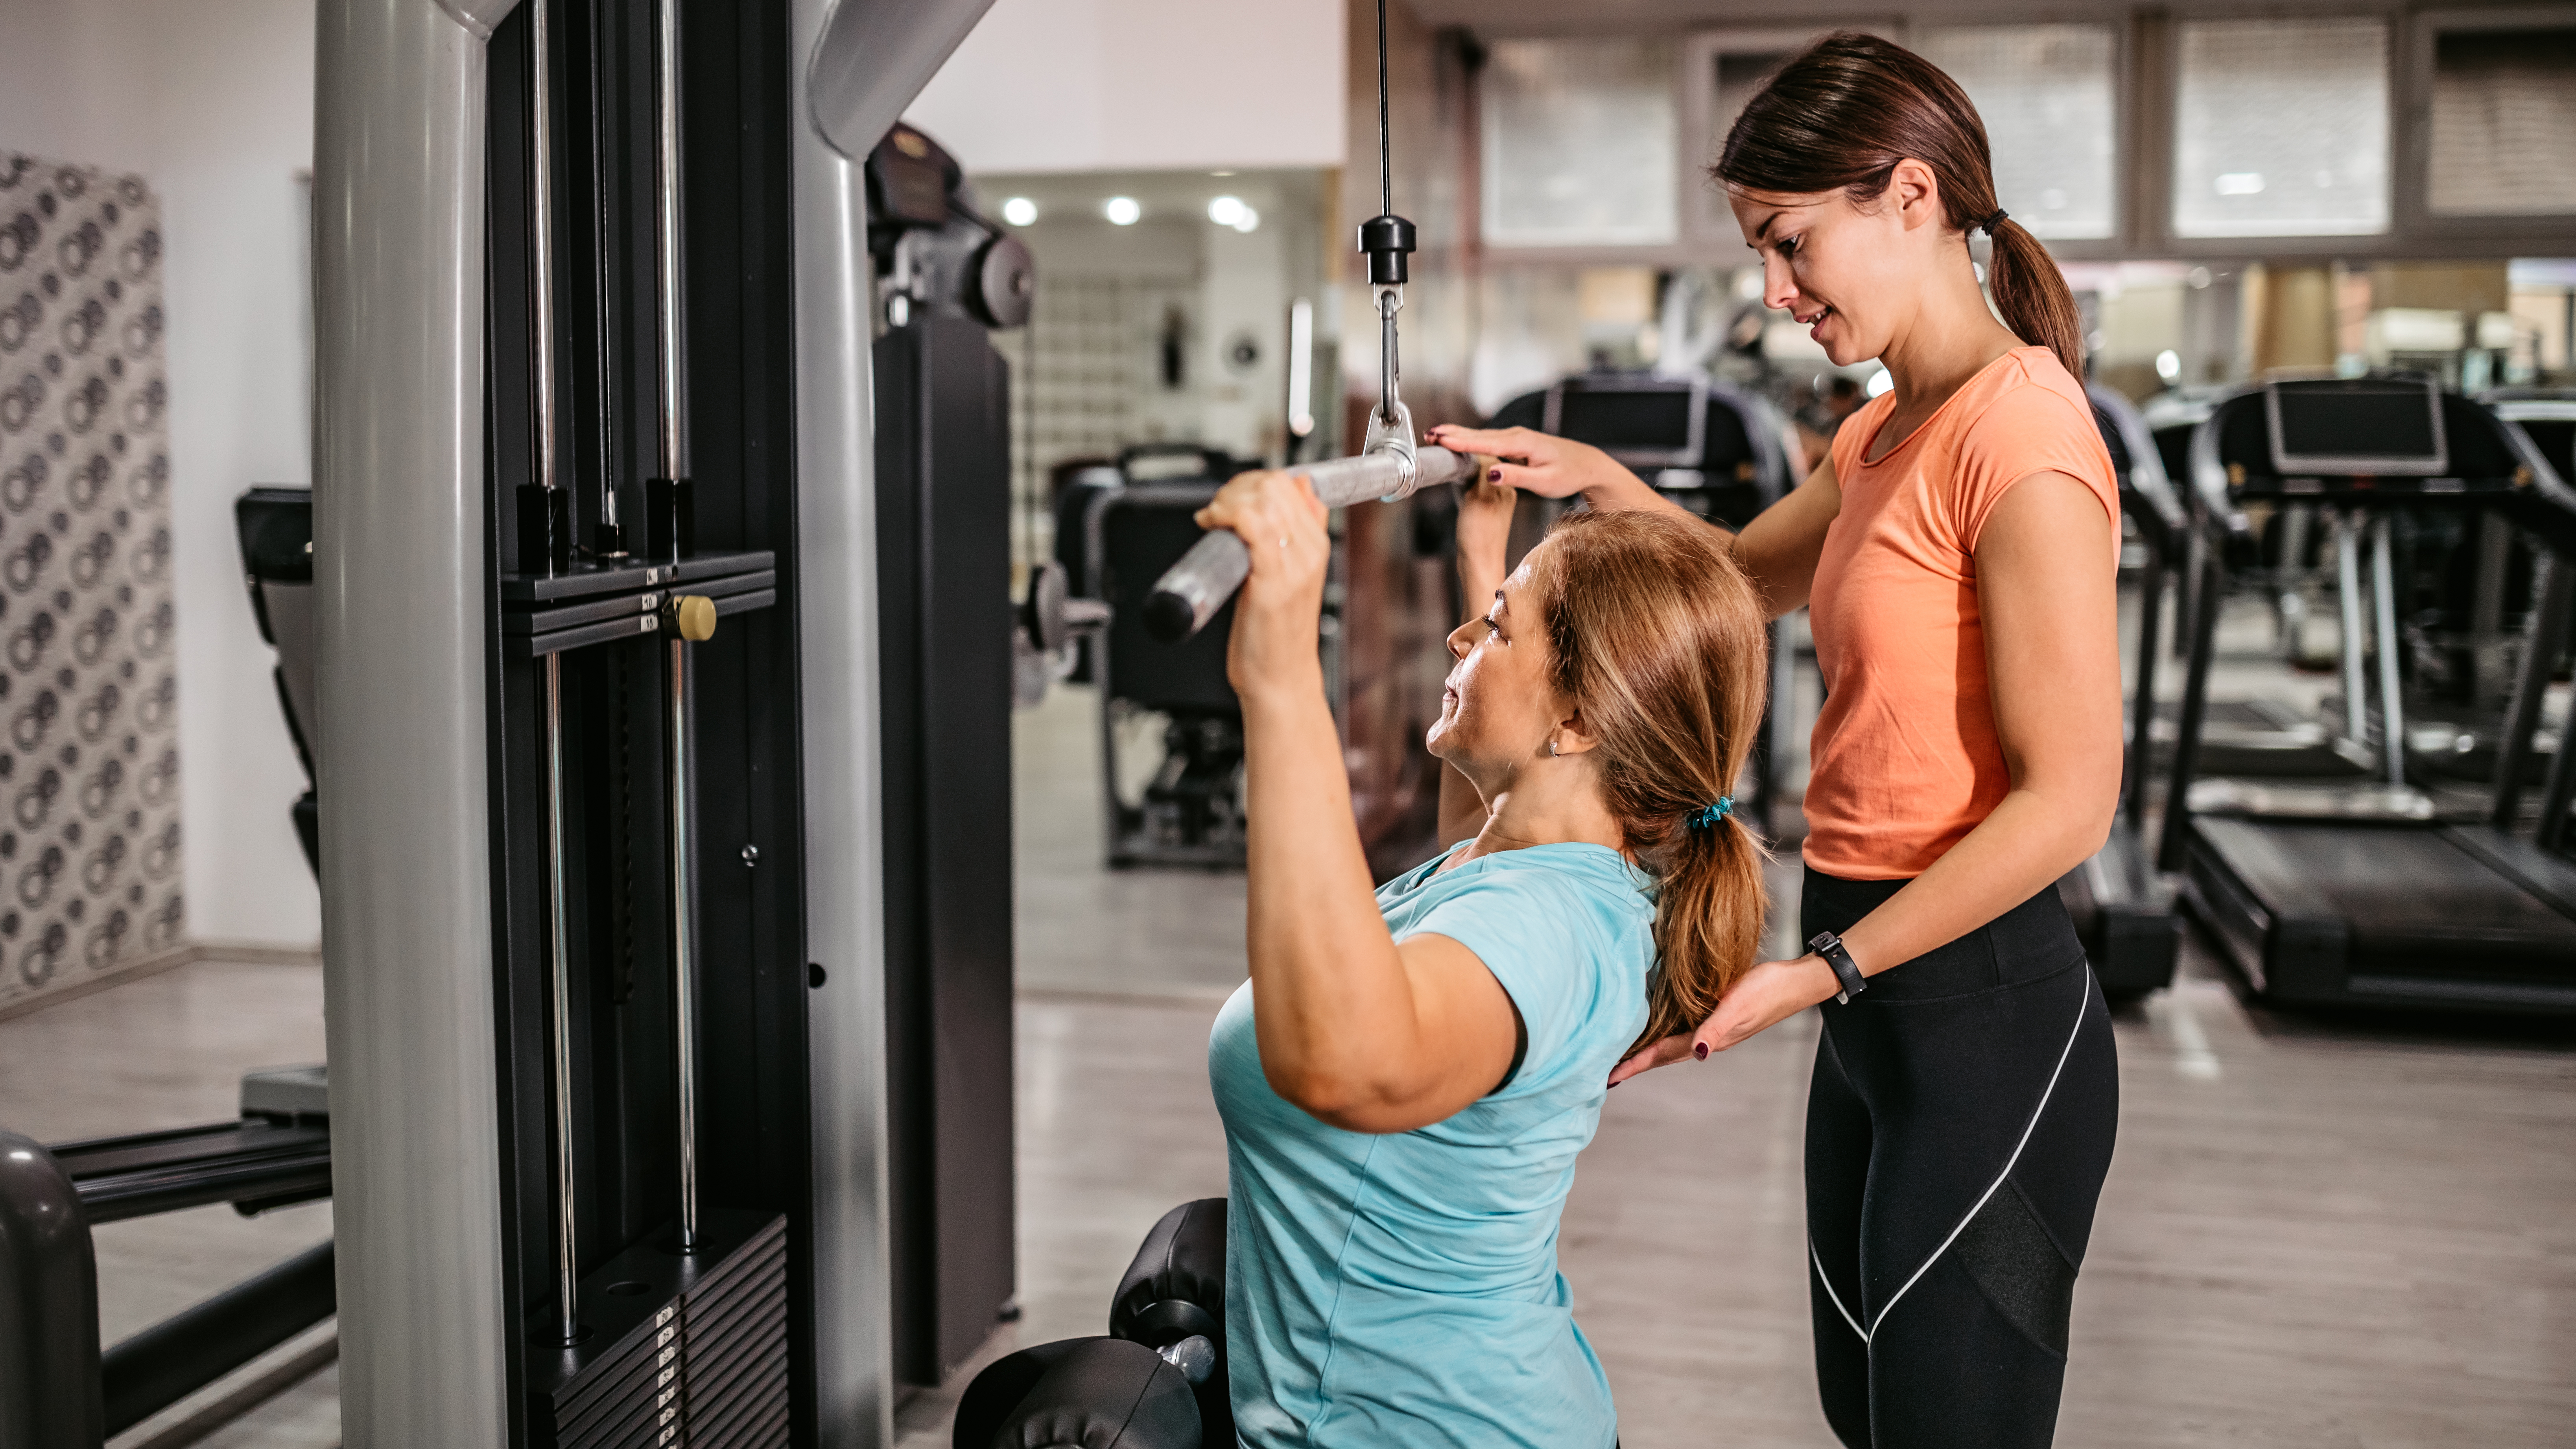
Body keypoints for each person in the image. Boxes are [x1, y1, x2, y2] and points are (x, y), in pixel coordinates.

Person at [1429, 31, 2124, 1449]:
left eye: (1791, 243)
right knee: (1864, 1412)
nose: (1776, 291)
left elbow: (2073, 804)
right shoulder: (1884, 434)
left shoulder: (2027, 439)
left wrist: (1818, 972)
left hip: (1979, 1007)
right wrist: (1604, 487)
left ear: (1911, 199)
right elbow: (1743, 578)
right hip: (1870, 992)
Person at [1188, 465, 1769, 1448]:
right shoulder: (1541, 856)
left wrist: (1281, 675)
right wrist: (1480, 560)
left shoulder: (1547, 930)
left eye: (1495, 630)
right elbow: (1496, 801)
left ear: (1578, 721)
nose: (1462, 640)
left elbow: (1344, 1062)